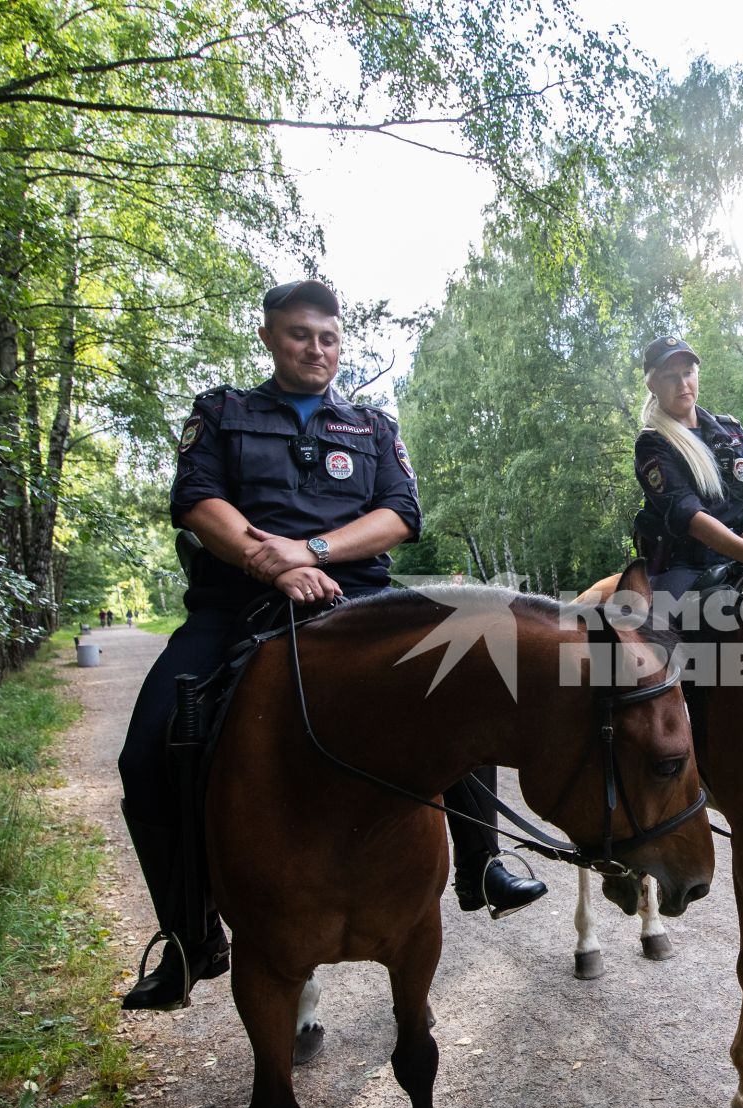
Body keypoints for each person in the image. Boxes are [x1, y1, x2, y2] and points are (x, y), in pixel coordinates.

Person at [116, 279, 545, 1012]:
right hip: (238, 603)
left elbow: (400, 515)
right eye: (299, 335)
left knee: (462, 667)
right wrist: (267, 562)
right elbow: (195, 501)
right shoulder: (223, 411)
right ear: (269, 338)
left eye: (328, 338)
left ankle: (483, 865)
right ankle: (188, 937)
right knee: (149, 748)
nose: (316, 349)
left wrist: (309, 552)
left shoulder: (372, 425)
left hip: (361, 600)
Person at [631, 335, 743, 629]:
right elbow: (687, 514)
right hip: (684, 568)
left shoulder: (729, 430)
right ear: (652, 385)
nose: (682, 384)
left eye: (688, 373)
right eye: (670, 377)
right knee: (655, 644)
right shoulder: (652, 445)